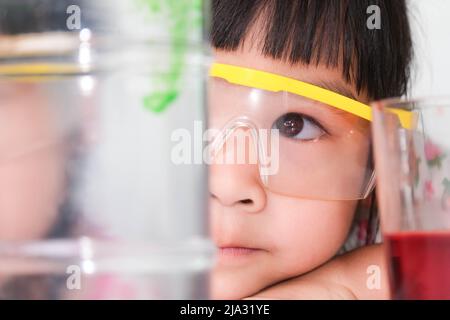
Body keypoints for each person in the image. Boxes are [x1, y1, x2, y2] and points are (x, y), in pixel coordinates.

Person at [208, 0, 413, 299]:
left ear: (377, 159)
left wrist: (341, 287)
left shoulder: (409, 189)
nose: (229, 186)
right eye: (186, 111)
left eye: (294, 125)